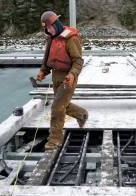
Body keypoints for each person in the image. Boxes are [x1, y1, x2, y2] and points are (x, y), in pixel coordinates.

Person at [36, 11, 88, 150]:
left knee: (57, 108)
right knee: (62, 104)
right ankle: (82, 114)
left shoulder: (71, 39)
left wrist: (72, 75)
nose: (48, 30)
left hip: (68, 78)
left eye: (50, 28)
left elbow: (78, 61)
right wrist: (43, 71)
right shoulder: (51, 38)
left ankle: (54, 140)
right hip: (55, 76)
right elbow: (47, 59)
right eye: (46, 29)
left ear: (56, 24)